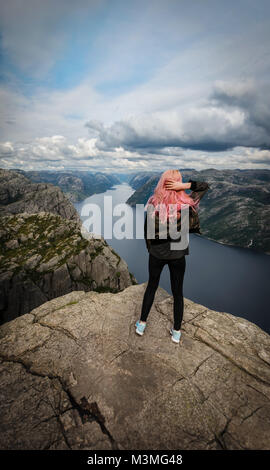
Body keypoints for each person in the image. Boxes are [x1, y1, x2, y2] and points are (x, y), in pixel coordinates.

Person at [135, 169, 210, 344]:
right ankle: (176, 332)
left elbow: (148, 232)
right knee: (178, 292)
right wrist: (184, 186)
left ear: (162, 182)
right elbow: (204, 186)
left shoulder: (154, 202)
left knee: (151, 287)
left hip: (157, 253)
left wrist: (151, 250)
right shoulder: (186, 203)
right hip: (178, 254)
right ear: (177, 183)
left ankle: (142, 324)